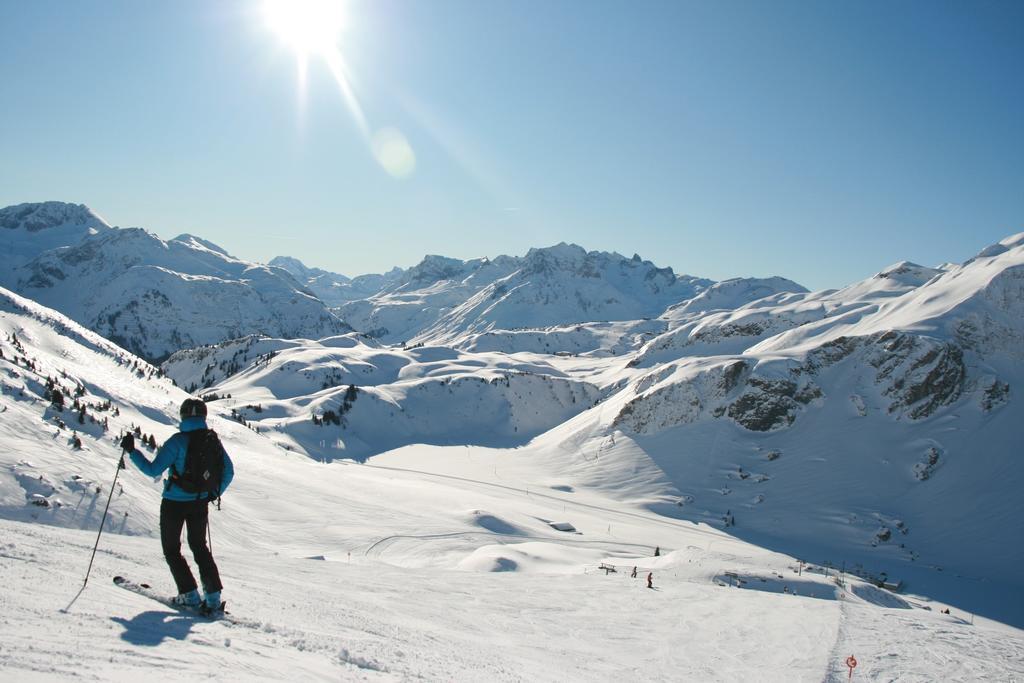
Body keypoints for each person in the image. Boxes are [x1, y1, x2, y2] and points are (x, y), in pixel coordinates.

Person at [121, 398, 234, 612]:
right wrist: (212, 494)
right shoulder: (213, 441)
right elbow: (229, 472)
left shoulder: (177, 442)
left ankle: (189, 595)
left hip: (174, 503)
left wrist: (132, 451)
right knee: (200, 548)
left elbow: (153, 470)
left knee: (172, 549)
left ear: (183, 416)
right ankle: (213, 598)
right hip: (199, 502)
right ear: (203, 416)